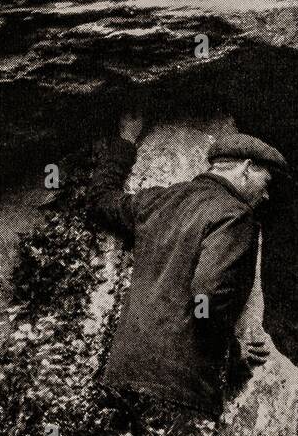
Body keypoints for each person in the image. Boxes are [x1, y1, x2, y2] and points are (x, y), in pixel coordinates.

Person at [87, 112, 287, 418]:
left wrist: (126, 141)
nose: (267, 193)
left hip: (121, 379)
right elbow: (205, 297)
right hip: (179, 390)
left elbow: (102, 200)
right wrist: (233, 356)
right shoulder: (235, 216)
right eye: (266, 180)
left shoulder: (160, 201)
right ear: (246, 169)